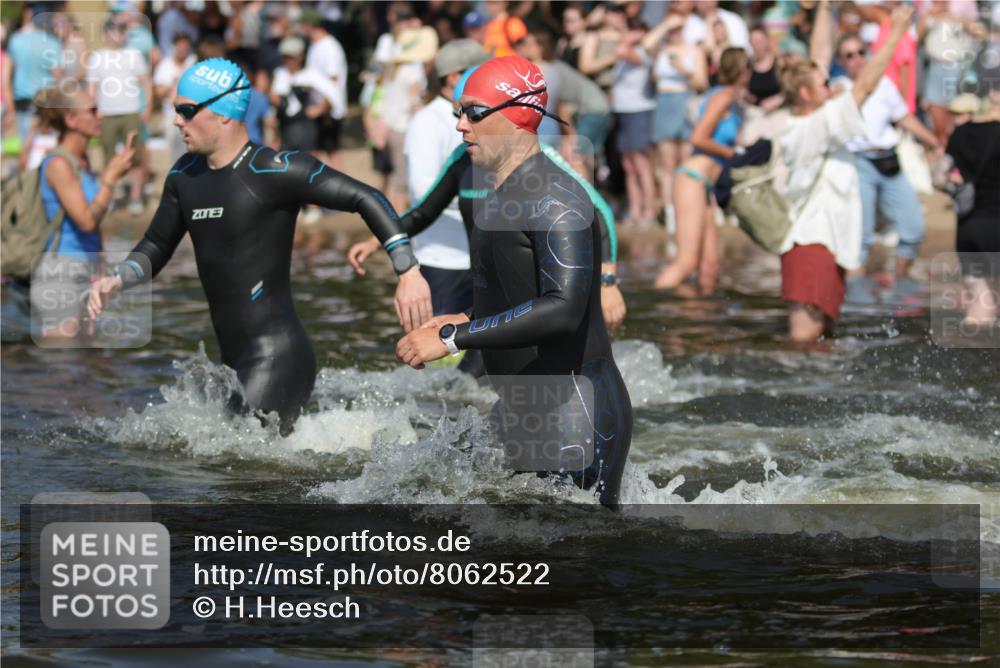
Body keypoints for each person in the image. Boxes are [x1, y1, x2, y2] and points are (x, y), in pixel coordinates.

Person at [86, 59, 432, 433]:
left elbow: (367, 197)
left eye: (186, 111)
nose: (176, 121)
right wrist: (117, 280)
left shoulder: (274, 169)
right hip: (233, 360)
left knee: (240, 469)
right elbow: (156, 244)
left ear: (223, 114)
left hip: (278, 355)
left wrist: (408, 271)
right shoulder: (183, 176)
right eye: (175, 111)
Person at [394, 56, 633, 507]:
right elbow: (520, 293)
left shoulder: (556, 198)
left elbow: (562, 309)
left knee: (574, 570)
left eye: (474, 113)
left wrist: (453, 338)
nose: (462, 125)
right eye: (457, 113)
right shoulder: (503, 195)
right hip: (523, 411)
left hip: (575, 416)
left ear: (520, 114)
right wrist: (465, 315)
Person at [777, 1, 914, 342]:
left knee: (822, 340)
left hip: (825, 245)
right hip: (810, 246)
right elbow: (865, 86)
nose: (832, 86)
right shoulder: (815, 124)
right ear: (807, 93)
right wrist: (895, 33)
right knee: (804, 343)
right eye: (824, 85)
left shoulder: (810, 115)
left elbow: (819, 55)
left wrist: (824, 7)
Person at [833, 32, 941, 304]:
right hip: (859, 163)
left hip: (889, 160)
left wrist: (934, 142)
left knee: (913, 227)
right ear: (840, 61)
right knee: (861, 234)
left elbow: (903, 117)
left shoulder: (883, 85)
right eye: (849, 55)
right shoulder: (838, 89)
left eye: (861, 52)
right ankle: (858, 296)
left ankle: (902, 282)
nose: (857, 59)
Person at [28, 87, 135, 340]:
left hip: (87, 271)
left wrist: (101, 267)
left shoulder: (82, 161)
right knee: (62, 368)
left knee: (88, 365)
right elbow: (86, 221)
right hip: (60, 275)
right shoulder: (58, 165)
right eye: (93, 110)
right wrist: (110, 177)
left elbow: (93, 227)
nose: (101, 115)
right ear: (71, 120)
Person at [653, 47, 750, 292]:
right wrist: (735, 154)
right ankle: (651, 308)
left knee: (710, 267)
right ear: (743, 71)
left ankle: (699, 321)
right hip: (692, 178)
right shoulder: (723, 96)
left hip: (705, 184)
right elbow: (698, 138)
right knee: (687, 262)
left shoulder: (729, 97)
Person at [642, 13, 708, 228]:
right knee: (667, 165)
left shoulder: (694, 51)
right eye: (672, 29)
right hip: (664, 102)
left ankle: (687, 209)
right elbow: (646, 44)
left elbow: (701, 82)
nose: (675, 32)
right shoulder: (661, 50)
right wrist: (665, 24)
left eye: (678, 28)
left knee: (686, 162)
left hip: (685, 102)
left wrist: (683, 69)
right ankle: (671, 213)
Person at [944, 90, 1000, 326]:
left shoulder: (960, 133)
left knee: (980, 305)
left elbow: (938, 176)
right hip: (996, 226)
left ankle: (969, 357)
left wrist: (957, 188)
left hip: (967, 229)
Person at [86, 18, 151, 216]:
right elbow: (92, 87)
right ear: (105, 34)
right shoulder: (96, 57)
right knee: (107, 157)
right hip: (106, 113)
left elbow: (146, 82)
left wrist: (147, 107)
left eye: (122, 30)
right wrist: (93, 110)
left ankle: (135, 197)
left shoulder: (134, 54)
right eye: (114, 30)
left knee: (136, 156)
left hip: (131, 111)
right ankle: (111, 196)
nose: (118, 34)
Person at [154, 33, 196, 164]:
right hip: (171, 116)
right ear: (174, 46)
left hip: (193, 115)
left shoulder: (194, 61)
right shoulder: (165, 65)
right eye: (180, 46)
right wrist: (174, 82)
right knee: (175, 154)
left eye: (185, 46)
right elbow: (159, 92)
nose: (182, 49)